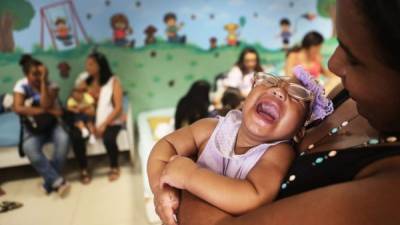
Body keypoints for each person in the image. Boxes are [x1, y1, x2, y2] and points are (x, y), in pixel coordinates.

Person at [178, 0, 400, 224]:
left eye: (354, 59)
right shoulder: (347, 93)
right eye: (338, 42)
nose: (332, 63)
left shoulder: (389, 195)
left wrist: (189, 174)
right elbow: (171, 148)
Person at [148, 67, 333, 225]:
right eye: (270, 82)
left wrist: (190, 176)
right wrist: (161, 189)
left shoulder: (277, 152)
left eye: (296, 96)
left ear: (299, 132)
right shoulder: (211, 128)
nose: (279, 91)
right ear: (245, 100)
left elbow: (254, 195)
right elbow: (167, 144)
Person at [13, 54, 70, 196]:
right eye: (35, 74)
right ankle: (58, 182)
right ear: (26, 75)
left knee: (64, 140)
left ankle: (49, 183)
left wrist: (44, 82)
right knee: (29, 148)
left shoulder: (52, 85)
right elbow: (18, 108)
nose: (39, 77)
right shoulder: (21, 86)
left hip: (53, 126)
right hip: (32, 129)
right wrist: (46, 110)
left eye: (42, 74)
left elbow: (45, 102)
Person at [70, 52, 124, 183]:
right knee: (76, 136)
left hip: (109, 119)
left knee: (109, 138)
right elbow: (75, 97)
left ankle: (114, 166)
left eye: (91, 64)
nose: (87, 67)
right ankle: (83, 169)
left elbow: (118, 108)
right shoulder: (85, 81)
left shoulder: (113, 82)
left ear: (100, 66)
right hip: (89, 119)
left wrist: (104, 124)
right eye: (86, 64)